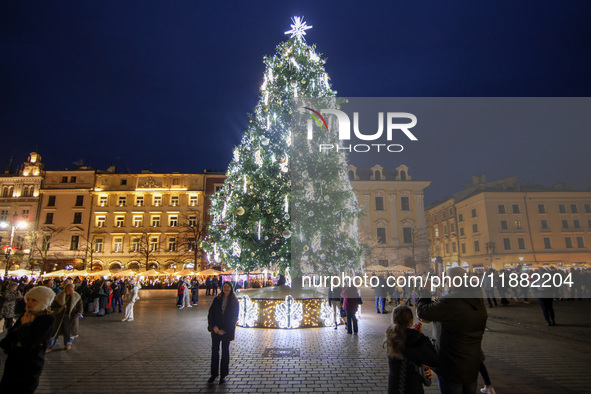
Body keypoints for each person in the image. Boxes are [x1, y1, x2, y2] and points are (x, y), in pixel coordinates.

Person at [416, 267, 487, 394]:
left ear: (453, 280)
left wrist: (425, 291)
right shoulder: (477, 301)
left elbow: (422, 312)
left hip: (451, 364)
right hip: (471, 363)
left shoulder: (452, 300)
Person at [0, 286, 56, 393]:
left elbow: (30, 343)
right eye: (28, 299)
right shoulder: (25, 315)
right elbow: (5, 342)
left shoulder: (48, 319)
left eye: (34, 300)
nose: (29, 302)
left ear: (43, 302)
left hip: (29, 366)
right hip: (13, 364)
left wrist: (24, 326)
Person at [384, 305, 438, 393]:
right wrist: (421, 335)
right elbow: (433, 359)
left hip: (394, 388)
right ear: (411, 321)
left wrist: (416, 333)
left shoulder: (391, 336)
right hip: (413, 387)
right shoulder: (417, 339)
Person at [207, 281, 239, 384]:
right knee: (214, 352)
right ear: (222, 288)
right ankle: (214, 374)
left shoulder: (234, 301)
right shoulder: (217, 299)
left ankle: (223, 375)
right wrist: (213, 326)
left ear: (231, 288)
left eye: (228, 287)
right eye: (224, 287)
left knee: (225, 352)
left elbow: (234, 318)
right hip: (216, 330)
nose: (226, 288)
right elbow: (211, 313)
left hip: (226, 331)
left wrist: (224, 330)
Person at [48, 283, 83, 351]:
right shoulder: (59, 296)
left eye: (72, 289)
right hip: (59, 316)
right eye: (70, 289)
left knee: (69, 331)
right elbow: (53, 306)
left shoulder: (76, 297)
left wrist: (79, 312)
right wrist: (57, 310)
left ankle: (68, 343)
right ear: (66, 289)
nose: (71, 290)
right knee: (55, 331)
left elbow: (80, 306)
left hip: (71, 316)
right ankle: (50, 346)